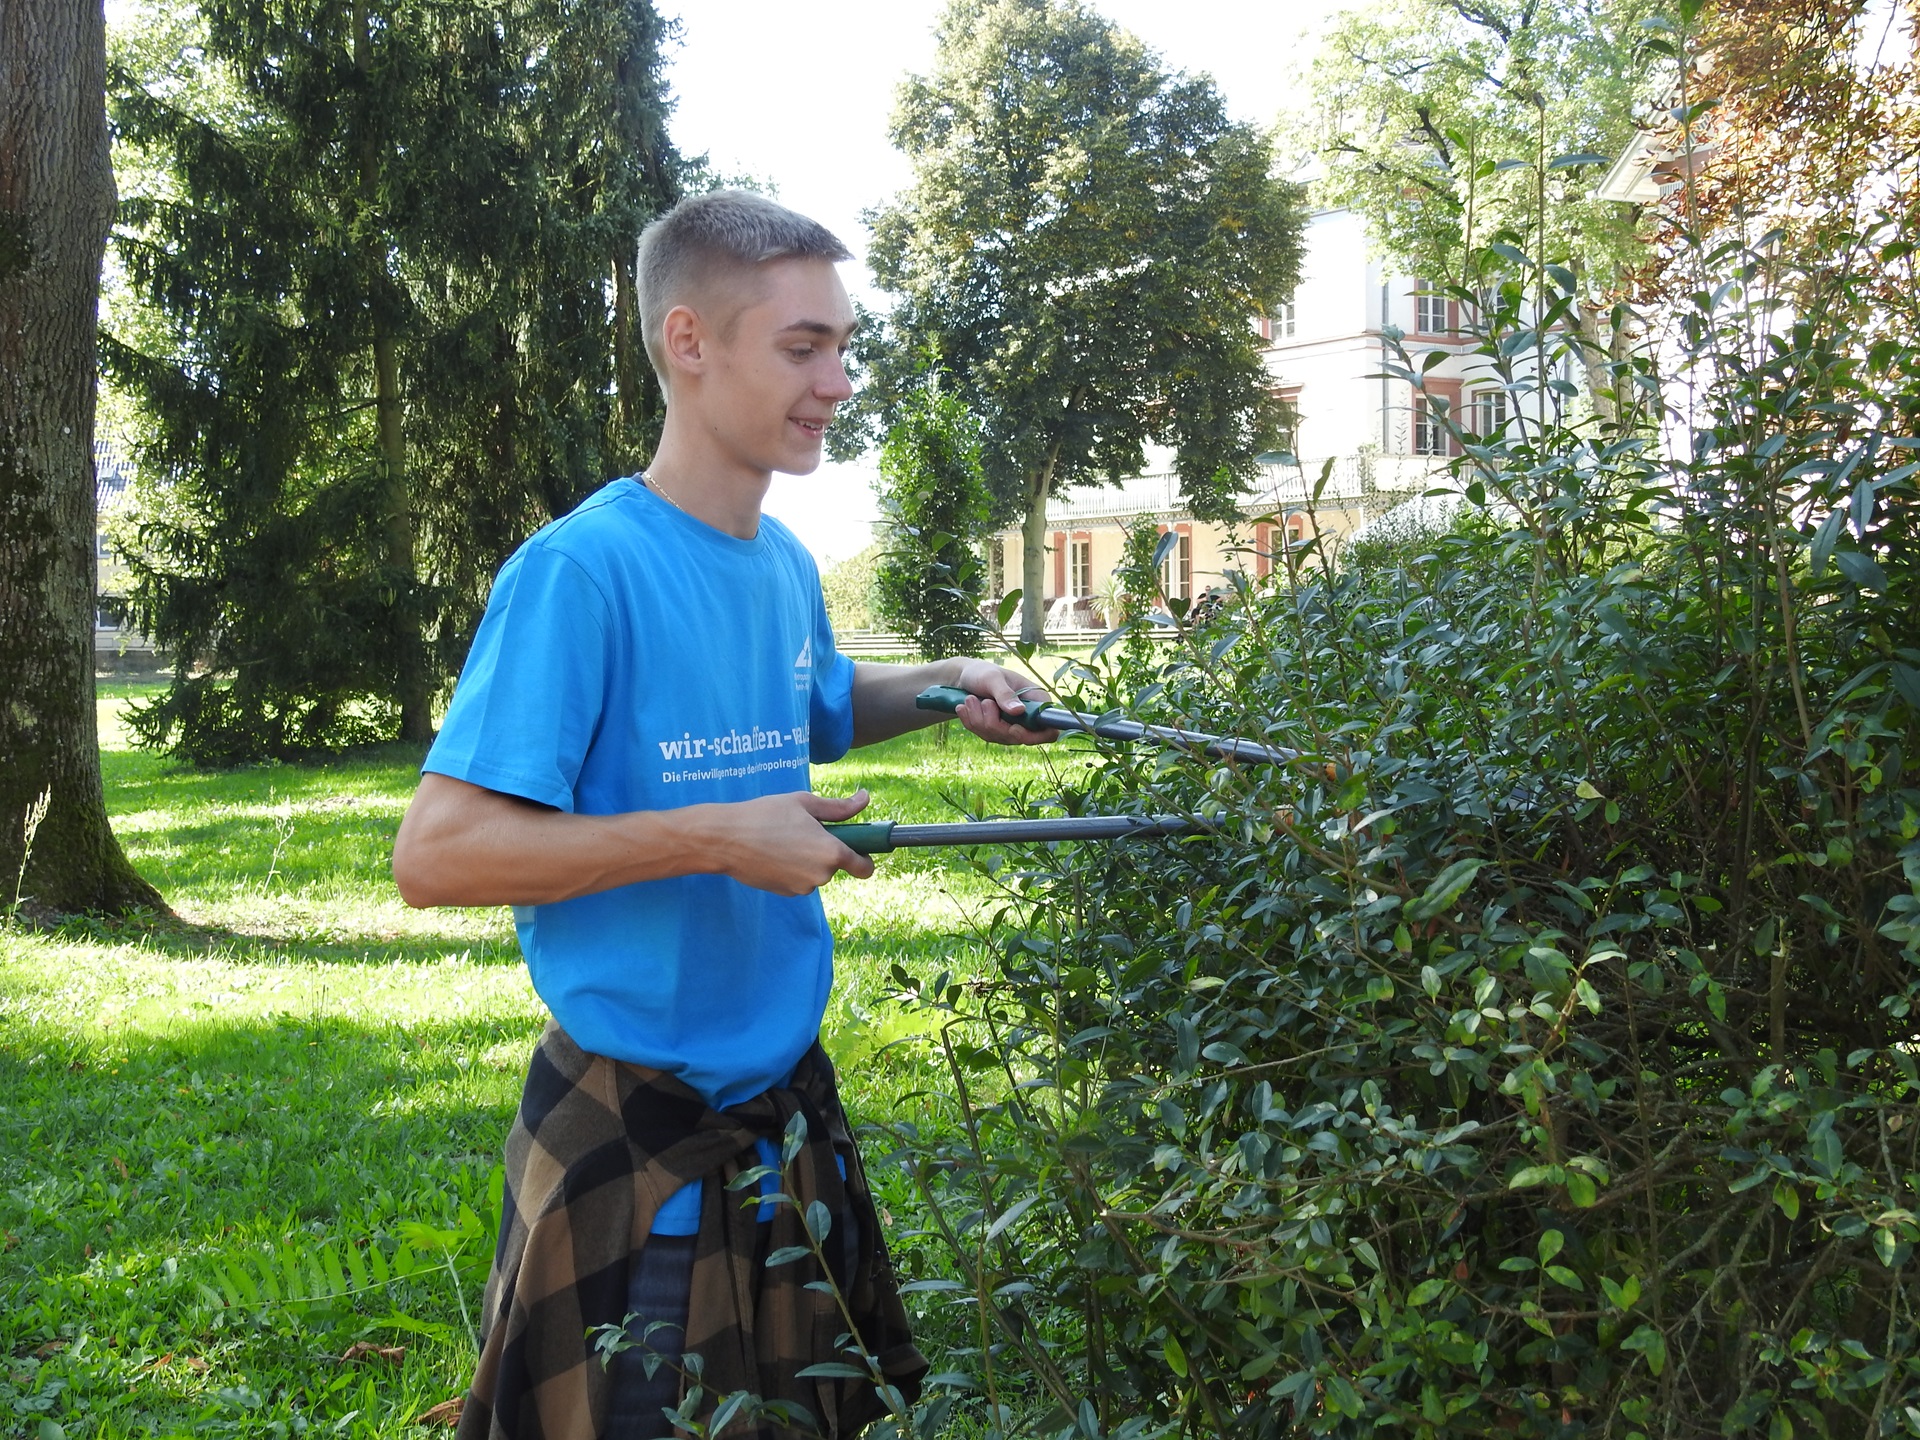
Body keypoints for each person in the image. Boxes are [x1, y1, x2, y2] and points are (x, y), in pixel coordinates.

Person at [391, 190, 1056, 1440]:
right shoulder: (579, 572)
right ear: (689, 341)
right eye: (804, 348)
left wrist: (947, 683)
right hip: (633, 1126)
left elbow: (813, 708)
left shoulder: (783, 562)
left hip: (783, 1112)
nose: (839, 381)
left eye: (845, 348)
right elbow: (436, 854)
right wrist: (715, 836)